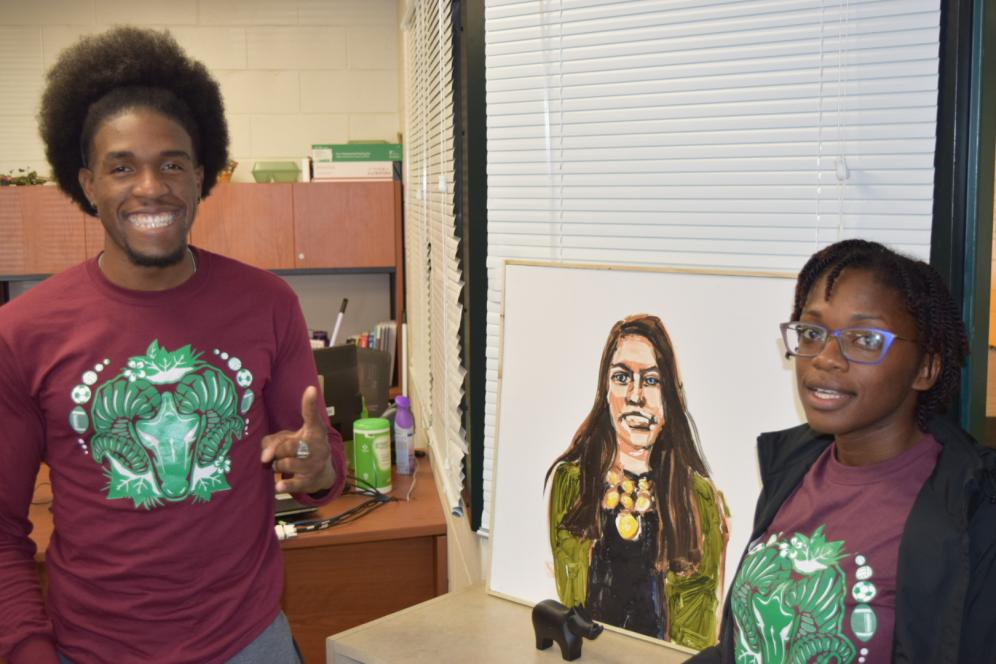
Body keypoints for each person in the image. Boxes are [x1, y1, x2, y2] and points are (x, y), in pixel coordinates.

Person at [0, 27, 346, 663]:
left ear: (200, 176)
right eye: (122, 166)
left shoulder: (269, 304)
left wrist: (321, 469)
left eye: (172, 163)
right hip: (92, 651)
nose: (151, 187)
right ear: (87, 182)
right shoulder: (23, 331)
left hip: (249, 643)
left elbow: (317, 470)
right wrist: (28, 652)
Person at [689, 239, 996, 663]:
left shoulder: (975, 511)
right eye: (813, 333)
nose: (826, 358)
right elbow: (742, 648)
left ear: (926, 367)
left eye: (865, 339)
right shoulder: (792, 469)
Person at [545, 314, 729, 649]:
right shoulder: (572, 483)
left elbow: (697, 634)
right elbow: (567, 601)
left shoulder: (697, 497)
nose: (635, 396)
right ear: (605, 389)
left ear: (670, 395)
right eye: (621, 377)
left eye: (652, 380)